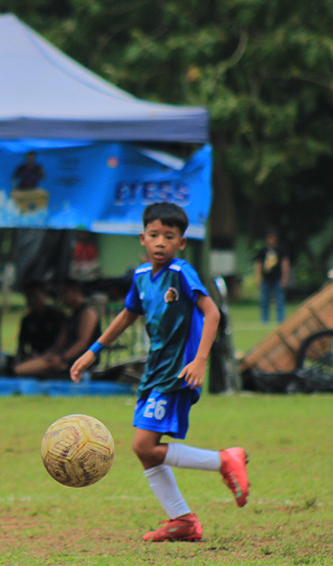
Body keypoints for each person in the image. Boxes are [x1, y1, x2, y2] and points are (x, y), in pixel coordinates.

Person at [70, 202, 249, 542]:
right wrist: (94, 351)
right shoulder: (140, 277)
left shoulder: (182, 273)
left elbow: (212, 314)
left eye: (169, 236)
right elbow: (126, 315)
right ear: (142, 238)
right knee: (144, 448)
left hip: (176, 374)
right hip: (154, 374)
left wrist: (199, 361)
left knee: (143, 445)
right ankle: (181, 519)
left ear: (181, 242)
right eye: (154, 235)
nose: (161, 242)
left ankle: (225, 460)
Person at [13, 280, 100, 379]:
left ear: (74, 291)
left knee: (24, 369)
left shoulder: (87, 313)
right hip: (63, 359)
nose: (62, 298)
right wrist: (47, 355)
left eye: (64, 293)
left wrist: (63, 358)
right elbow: (59, 344)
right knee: (34, 364)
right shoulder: (70, 317)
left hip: (79, 361)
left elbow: (82, 343)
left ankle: (14, 372)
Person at [13, 281, 65, 366]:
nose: (32, 301)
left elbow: (61, 342)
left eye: (35, 296)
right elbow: (21, 345)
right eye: (29, 297)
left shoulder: (56, 316)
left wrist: (46, 355)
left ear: (44, 295)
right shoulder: (27, 320)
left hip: (53, 357)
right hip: (34, 357)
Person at [254, 228, 289, 324]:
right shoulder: (263, 251)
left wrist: (284, 278)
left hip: (277, 279)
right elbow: (258, 264)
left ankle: (280, 320)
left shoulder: (280, 250)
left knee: (279, 301)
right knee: (264, 301)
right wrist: (258, 277)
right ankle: (265, 320)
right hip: (266, 279)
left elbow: (284, 264)